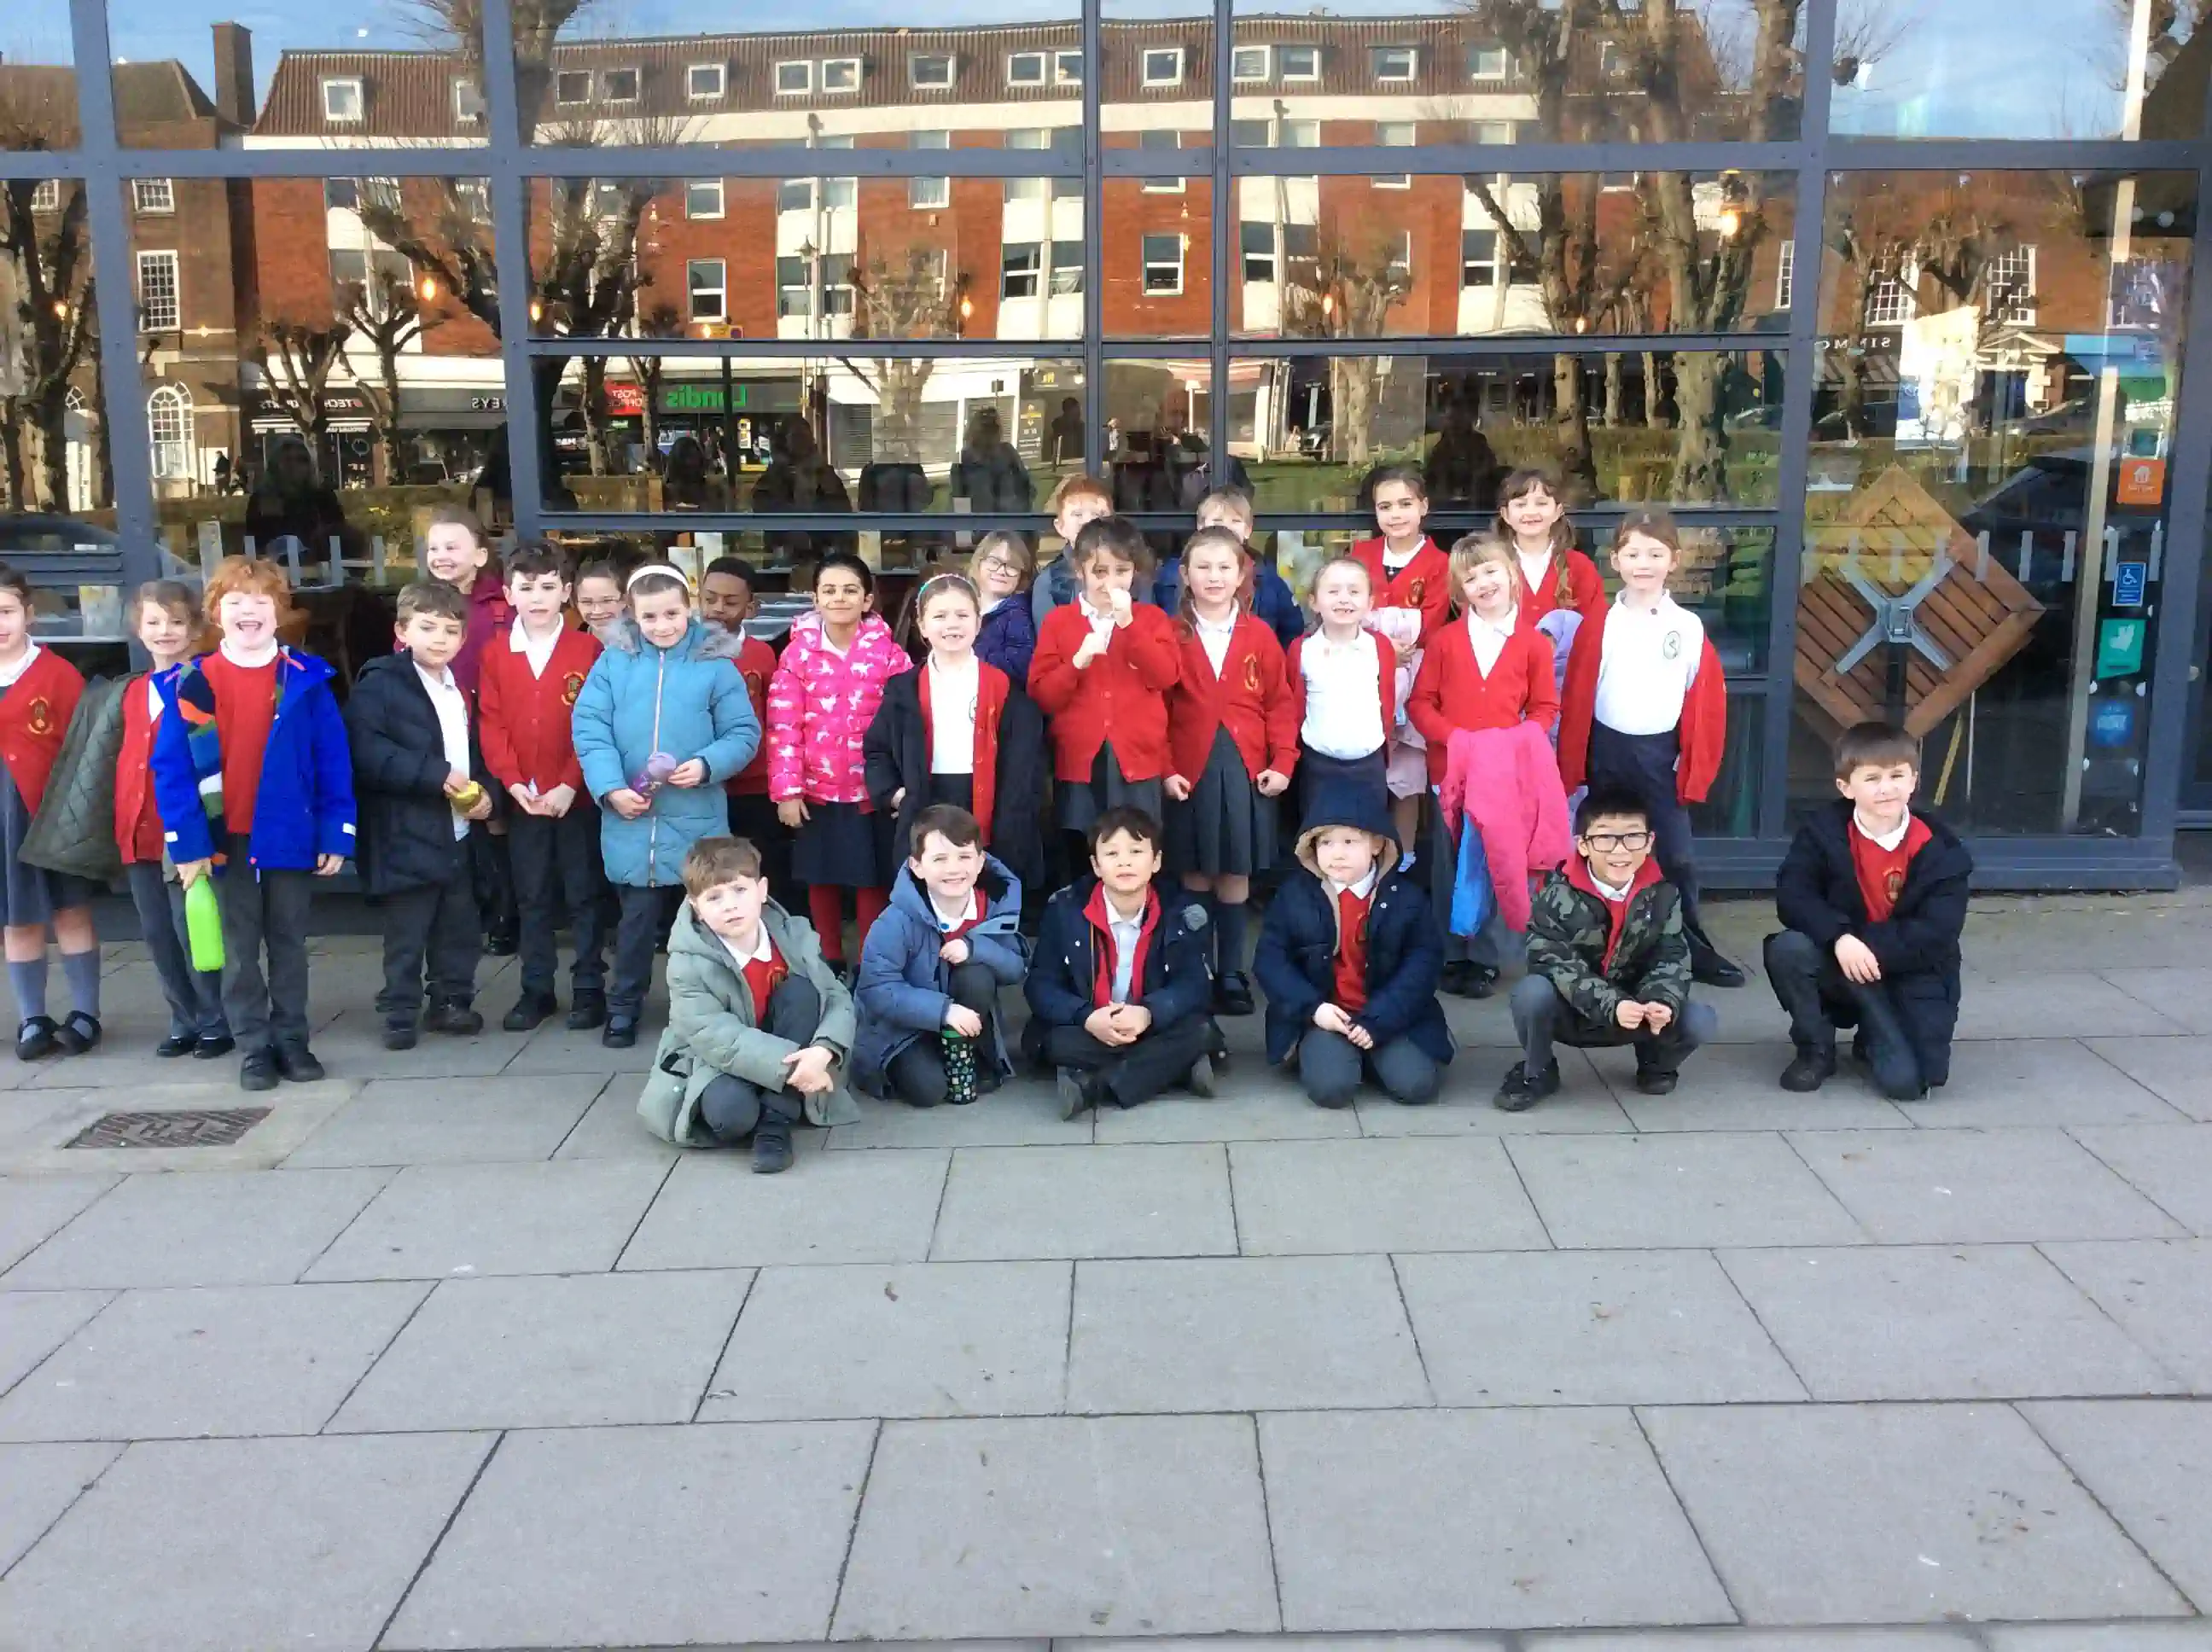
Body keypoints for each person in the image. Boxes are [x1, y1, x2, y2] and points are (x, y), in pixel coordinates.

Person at [153, 556, 355, 1092]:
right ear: (216, 612)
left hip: (290, 832)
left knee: (289, 943)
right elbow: (171, 771)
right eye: (237, 601)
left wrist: (337, 831)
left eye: (262, 600)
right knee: (240, 951)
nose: (249, 611)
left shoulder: (305, 679)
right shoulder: (191, 682)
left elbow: (333, 759)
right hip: (224, 841)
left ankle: (292, 1039)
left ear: (279, 612)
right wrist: (187, 845)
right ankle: (254, 1046)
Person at [572, 564, 760, 1049]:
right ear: (632, 615)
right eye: (650, 616)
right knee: (635, 925)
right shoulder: (613, 663)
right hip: (632, 818)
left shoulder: (715, 665)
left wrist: (707, 764)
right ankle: (624, 1007)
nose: (662, 626)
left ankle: (713, 1007)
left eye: (672, 614)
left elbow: (742, 732)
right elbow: (590, 729)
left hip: (696, 817)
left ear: (689, 608)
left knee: (708, 921)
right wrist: (611, 787)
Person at [1558, 507, 1744, 988]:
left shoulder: (1687, 627)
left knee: (1676, 857)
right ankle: (1599, 947)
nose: (1644, 563)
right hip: (1608, 753)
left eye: (1655, 554)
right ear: (1616, 560)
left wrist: (1692, 763)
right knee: (1605, 849)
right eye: (1634, 553)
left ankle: (1692, 948)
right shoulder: (1600, 624)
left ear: (1674, 560)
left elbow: (1703, 700)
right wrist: (1574, 765)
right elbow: (1578, 697)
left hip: (1661, 756)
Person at [1767, 721, 1972, 1100]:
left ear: (1913, 781)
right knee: (1790, 948)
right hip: (1841, 961)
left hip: (1909, 969)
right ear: (1846, 787)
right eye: (1872, 778)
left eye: (1897, 775)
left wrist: (1867, 947)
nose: (1886, 788)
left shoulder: (1941, 848)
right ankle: (1816, 1049)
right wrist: (1839, 937)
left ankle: (1873, 1036)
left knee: (1908, 1085)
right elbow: (1793, 894)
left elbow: (1938, 931)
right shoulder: (1822, 832)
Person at [636, 835, 859, 1173]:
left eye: (740, 890)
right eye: (714, 897)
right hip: (716, 1059)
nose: (730, 906)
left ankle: (775, 1123)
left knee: (804, 992)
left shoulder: (794, 935)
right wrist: (796, 1070)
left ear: (762, 890)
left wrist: (823, 1051)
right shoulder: (686, 962)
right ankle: (774, 1101)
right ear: (696, 907)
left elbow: (836, 998)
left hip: (787, 1042)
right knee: (732, 1115)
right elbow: (715, 1036)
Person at [1409, 532, 1561, 999]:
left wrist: (1516, 743)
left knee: (1497, 862)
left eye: (1491, 571)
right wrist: (1455, 740)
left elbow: (1544, 708)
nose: (1484, 583)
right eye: (1471, 578)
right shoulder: (1445, 642)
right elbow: (1421, 703)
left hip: (1503, 778)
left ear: (1511, 574)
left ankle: (1485, 958)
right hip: (1451, 774)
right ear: (1460, 590)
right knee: (1450, 864)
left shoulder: (1533, 643)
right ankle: (1451, 954)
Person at [1500, 785, 1717, 1110]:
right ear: (1583, 845)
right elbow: (1554, 963)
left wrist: (1660, 1001)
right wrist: (1612, 1004)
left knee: (1699, 1019)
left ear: (1649, 842)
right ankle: (1538, 1070)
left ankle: (1656, 1062)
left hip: (1637, 1011)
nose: (1620, 850)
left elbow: (1672, 955)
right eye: (1604, 838)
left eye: (1633, 837)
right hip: (1574, 1011)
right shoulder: (1554, 895)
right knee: (1531, 993)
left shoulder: (1664, 895)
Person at [346, 580, 494, 1050]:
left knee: (459, 925)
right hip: (404, 831)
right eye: (427, 628)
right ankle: (399, 1012)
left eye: (451, 631)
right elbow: (366, 751)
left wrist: (486, 795)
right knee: (408, 931)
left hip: (457, 829)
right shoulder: (381, 683)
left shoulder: (458, 689)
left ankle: (452, 1002)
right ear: (402, 631)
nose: (440, 639)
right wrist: (433, 774)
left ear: (463, 638)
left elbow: (472, 753)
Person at [1162, 526, 1297, 1017]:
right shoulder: (1170, 633)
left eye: (1225, 567)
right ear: (1185, 574)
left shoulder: (1259, 634)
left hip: (1245, 767)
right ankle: (1195, 971)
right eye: (1203, 567)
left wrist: (1283, 761)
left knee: (1236, 871)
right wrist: (1165, 768)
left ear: (1242, 574)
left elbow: (1280, 703)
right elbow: (1156, 707)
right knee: (1197, 872)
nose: (1214, 576)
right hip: (1189, 770)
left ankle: (1232, 971)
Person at [478, 541, 608, 1032]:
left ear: (566, 592)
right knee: (530, 895)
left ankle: (589, 987)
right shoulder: (496, 652)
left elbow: (596, 725)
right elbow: (491, 724)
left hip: (575, 797)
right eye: (527, 587)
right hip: (525, 798)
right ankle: (536, 989)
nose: (537, 597)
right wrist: (513, 783)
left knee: (583, 893)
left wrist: (571, 784)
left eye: (548, 587)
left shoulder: (587, 649)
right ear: (509, 593)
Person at [1254, 784, 1450, 1108]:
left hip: (1387, 1014)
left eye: (1349, 842)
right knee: (1331, 1090)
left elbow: (1423, 964)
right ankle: (1339, 1055)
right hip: (1325, 1015)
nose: (1337, 853)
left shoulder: (1406, 898)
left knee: (1416, 1086)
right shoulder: (1294, 896)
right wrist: (1314, 1009)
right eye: (1325, 842)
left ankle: (1371, 1053)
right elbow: (1270, 961)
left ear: (1376, 844)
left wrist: (1381, 1018)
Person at [766, 551, 914, 977]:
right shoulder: (796, 656)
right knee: (821, 876)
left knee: (872, 877)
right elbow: (783, 724)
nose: (839, 598)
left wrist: (900, 784)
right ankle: (829, 957)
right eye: (829, 590)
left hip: (872, 788)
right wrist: (788, 791)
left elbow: (906, 724)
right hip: (817, 790)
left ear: (867, 599)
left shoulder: (889, 655)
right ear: (815, 598)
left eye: (850, 590)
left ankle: (871, 961)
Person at [1023, 806, 1217, 1118]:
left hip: (1151, 1023)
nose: (1124, 862)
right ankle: (1173, 1068)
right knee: (1057, 1042)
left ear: (1156, 861)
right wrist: (1086, 1016)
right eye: (1111, 853)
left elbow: (1194, 984)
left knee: (1201, 1030)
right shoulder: (1064, 910)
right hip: (1090, 1025)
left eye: (1136, 851)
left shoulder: (1179, 911)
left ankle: (1095, 1086)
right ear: (1096, 865)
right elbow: (1040, 985)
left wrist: (1149, 1013)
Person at [864, 571, 1046, 892]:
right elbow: (877, 750)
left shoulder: (1004, 689)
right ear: (922, 626)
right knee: (928, 891)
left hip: (990, 803)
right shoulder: (903, 689)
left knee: (984, 892)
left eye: (962, 615)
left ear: (978, 623)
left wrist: (1013, 813)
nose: (952, 624)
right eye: (940, 616)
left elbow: (1026, 763)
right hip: (926, 796)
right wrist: (896, 796)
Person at [117, 580, 230, 1058]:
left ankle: (215, 1018)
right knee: (158, 933)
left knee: (195, 928)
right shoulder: (132, 690)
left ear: (195, 628)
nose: (165, 631)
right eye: (154, 622)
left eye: (176, 621)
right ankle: (182, 1017)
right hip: (136, 826)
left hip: (183, 828)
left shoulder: (201, 682)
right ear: (138, 629)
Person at [1028, 516, 1180, 869]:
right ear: (1079, 570)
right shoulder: (1059, 622)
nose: (1110, 582)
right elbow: (1043, 695)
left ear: (1135, 572)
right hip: (1080, 762)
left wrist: (1130, 627)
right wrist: (1076, 663)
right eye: (1099, 571)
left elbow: (1166, 676)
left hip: (1138, 760)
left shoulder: (1152, 619)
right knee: (1082, 854)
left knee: (1137, 850)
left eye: (1121, 571)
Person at [853, 804, 1028, 1108]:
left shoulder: (993, 908)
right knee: (929, 1091)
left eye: (964, 857)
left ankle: (969, 1053)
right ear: (917, 866)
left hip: (963, 1015)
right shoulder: (895, 920)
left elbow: (1016, 968)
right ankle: (910, 1062)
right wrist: (943, 1011)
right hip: (903, 1028)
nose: (954, 869)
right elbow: (877, 988)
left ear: (980, 862)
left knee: (977, 974)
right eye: (940, 859)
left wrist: (975, 948)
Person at [0, 565, 98, 1061]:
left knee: (70, 911)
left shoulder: (57, 675)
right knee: (18, 920)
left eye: (6, 612)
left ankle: (85, 1012)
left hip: (54, 814)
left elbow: (85, 751)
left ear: (29, 614)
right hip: (3, 821)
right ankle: (32, 1017)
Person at [421, 504, 518, 957]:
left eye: (452, 547)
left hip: (491, 726)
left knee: (494, 819)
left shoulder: (502, 606)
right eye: (434, 548)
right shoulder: (420, 604)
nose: (441, 556)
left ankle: (506, 916)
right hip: (441, 729)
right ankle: (471, 913)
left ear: (480, 555)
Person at [1351, 464, 1451, 866]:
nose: (1395, 514)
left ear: (1423, 506)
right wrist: (1381, 643)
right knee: (1368, 763)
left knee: (1408, 770)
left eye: (1405, 504)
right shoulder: (1361, 555)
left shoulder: (1440, 563)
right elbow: (1348, 608)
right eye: (1385, 506)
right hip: (1362, 673)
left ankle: (1404, 854)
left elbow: (1430, 622)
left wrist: (1386, 631)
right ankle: (1363, 850)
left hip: (1417, 675)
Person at [699, 556, 788, 899]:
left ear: (751, 608)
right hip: (701, 781)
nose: (718, 609)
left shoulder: (762, 654)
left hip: (755, 783)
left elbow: (776, 717)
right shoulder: (683, 651)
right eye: (710, 599)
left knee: (760, 863)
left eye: (730, 601)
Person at [1287, 556, 1394, 818]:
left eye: (1354, 592)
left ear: (1370, 603)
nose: (1344, 599)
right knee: (1319, 832)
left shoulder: (1379, 646)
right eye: (1333, 591)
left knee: (1368, 833)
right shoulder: (1303, 649)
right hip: (1318, 764)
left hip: (1369, 764)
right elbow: (1293, 706)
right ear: (1314, 601)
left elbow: (1387, 699)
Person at [1151, 487, 1304, 649]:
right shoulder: (1172, 574)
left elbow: (1292, 631)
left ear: (1248, 530)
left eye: (1235, 521)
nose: (1226, 528)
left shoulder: (1266, 576)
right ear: (1200, 526)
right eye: (1217, 521)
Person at [1497, 465, 1605, 625]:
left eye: (1541, 503)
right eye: (1520, 505)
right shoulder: (1490, 566)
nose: (1531, 512)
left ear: (1558, 511)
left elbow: (1593, 627)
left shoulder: (1580, 567)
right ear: (1505, 514)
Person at [1027, 474, 1117, 629]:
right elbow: (1047, 638)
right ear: (1060, 527)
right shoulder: (1050, 582)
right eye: (1077, 514)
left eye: (1098, 515)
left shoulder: (1132, 573)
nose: (1088, 522)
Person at [969, 532, 1038, 685]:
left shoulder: (1018, 615)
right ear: (979, 563)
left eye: (1012, 566)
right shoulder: (962, 605)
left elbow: (1020, 665)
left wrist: (971, 657)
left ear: (1021, 576)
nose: (1001, 571)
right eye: (994, 562)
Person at [573, 560, 626, 643]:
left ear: (624, 600)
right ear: (576, 603)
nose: (597, 611)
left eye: (607, 601)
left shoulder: (642, 642)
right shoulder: (573, 643)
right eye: (587, 602)